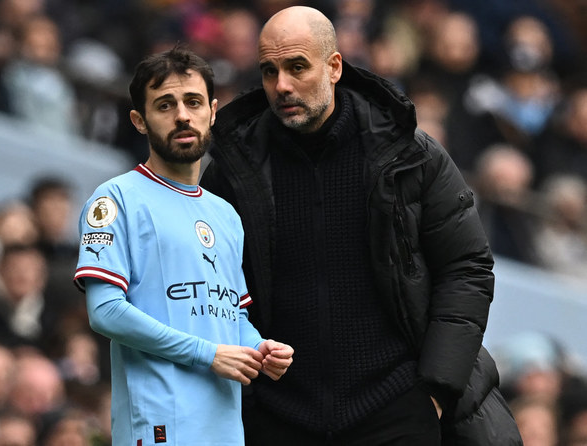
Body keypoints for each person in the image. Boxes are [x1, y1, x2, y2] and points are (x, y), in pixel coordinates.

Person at [200, 6, 521, 445]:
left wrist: (435, 391)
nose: (282, 85)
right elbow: (210, 287)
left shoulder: (411, 155)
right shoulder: (233, 170)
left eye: (297, 67)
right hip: (277, 418)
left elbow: (466, 268)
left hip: (396, 410)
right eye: (269, 71)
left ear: (334, 67)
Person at [73, 45, 294, 446]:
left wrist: (259, 348)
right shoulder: (117, 198)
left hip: (225, 429)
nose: (182, 115)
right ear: (139, 121)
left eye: (193, 102)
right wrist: (207, 354)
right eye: (165, 105)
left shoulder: (226, 215)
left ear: (212, 111)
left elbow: (230, 316)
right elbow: (105, 312)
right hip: (161, 425)